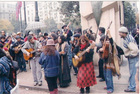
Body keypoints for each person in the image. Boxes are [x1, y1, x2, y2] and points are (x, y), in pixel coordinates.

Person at [118, 26, 139, 92]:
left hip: (133, 58)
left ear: (124, 33)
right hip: (133, 58)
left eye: (120, 33)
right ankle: (132, 85)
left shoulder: (128, 39)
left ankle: (132, 87)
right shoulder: (127, 38)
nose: (119, 34)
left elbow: (135, 50)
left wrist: (129, 55)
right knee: (133, 72)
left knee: (133, 73)